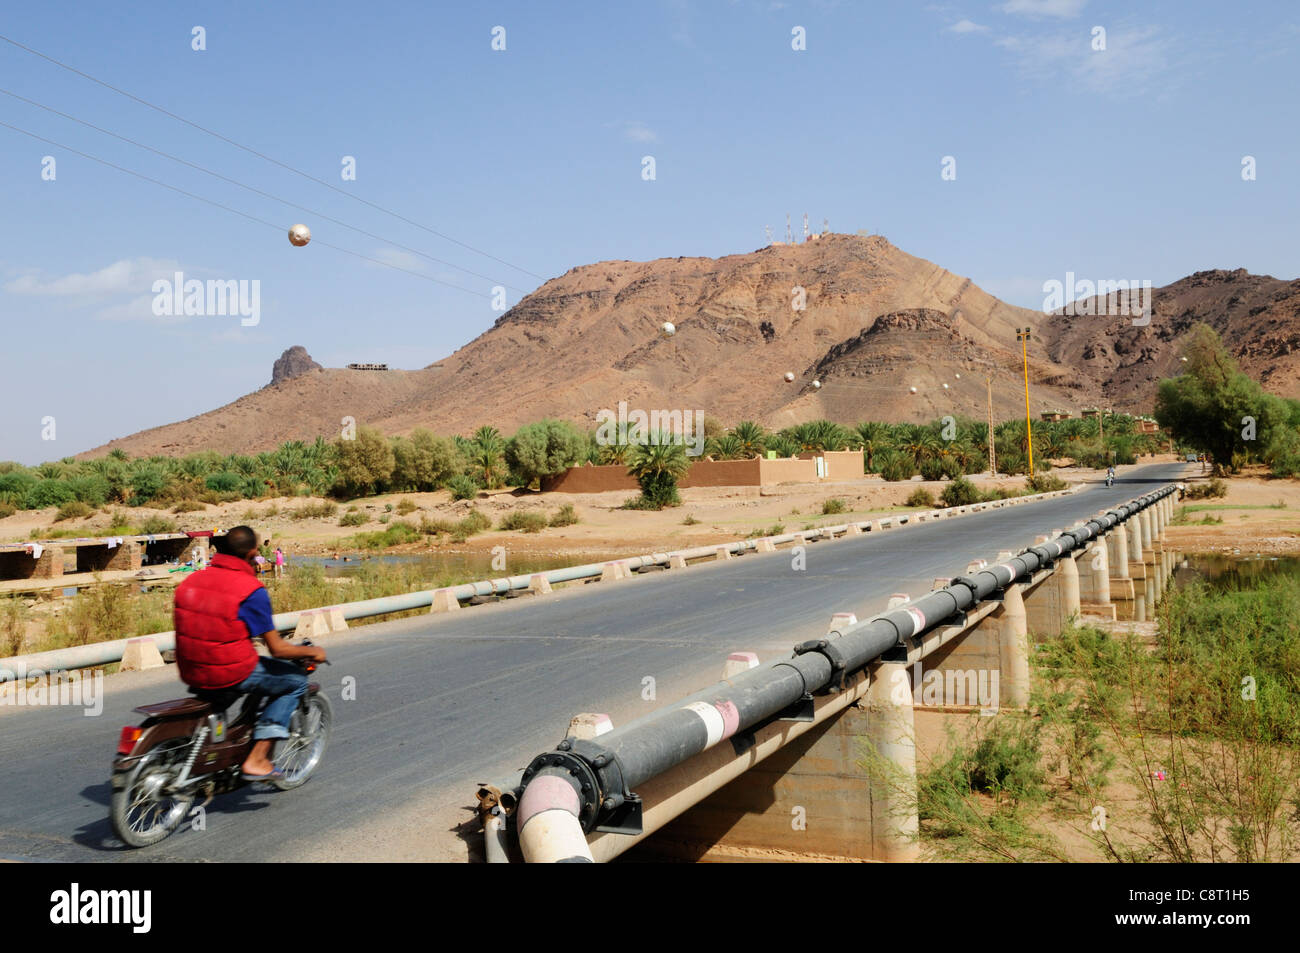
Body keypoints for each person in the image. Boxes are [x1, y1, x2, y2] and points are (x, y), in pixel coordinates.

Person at [172, 525, 326, 781]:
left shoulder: (191, 580)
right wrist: (314, 651)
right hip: (229, 670)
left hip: (191, 669)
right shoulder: (251, 590)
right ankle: (257, 759)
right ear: (253, 552)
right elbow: (277, 649)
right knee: (295, 682)